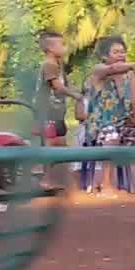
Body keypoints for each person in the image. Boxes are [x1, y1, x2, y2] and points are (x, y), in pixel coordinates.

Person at [84, 36, 135, 197]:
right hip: (100, 123)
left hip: (124, 123)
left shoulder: (129, 75)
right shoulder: (98, 69)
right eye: (116, 52)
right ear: (105, 56)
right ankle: (106, 184)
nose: (121, 55)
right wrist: (133, 65)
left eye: (122, 51)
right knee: (112, 136)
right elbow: (111, 70)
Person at [35, 31, 84, 190]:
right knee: (51, 143)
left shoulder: (57, 65)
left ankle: (58, 177)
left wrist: (78, 91)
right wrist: (74, 95)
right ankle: (47, 179)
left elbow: (65, 86)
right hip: (48, 110)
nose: (64, 48)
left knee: (60, 142)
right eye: (60, 45)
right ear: (50, 48)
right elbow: (57, 86)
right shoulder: (49, 65)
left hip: (57, 111)